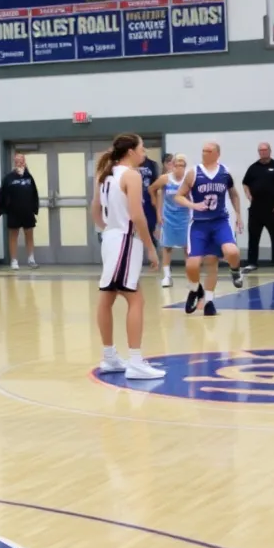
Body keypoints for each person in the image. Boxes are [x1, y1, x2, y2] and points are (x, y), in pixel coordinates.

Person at [91, 134, 164, 379]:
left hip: (111, 238)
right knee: (136, 300)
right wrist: (151, 247)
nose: (144, 153)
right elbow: (137, 215)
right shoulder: (130, 175)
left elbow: (94, 208)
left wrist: (108, 227)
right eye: (142, 148)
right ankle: (135, 362)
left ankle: (110, 358)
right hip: (125, 240)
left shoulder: (105, 175)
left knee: (106, 298)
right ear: (131, 151)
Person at [175, 141, 244, 316]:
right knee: (192, 265)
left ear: (217, 153)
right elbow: (178, 196)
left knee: (231, 253)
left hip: (220, 222)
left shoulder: (225, 172)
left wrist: (238, 215)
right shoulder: (193, 173)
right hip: (199, 224)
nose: (204, 153)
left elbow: (234, 194)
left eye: (208, 150)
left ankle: (211, 300)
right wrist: (193, 205)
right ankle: (194, 289)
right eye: (203, 150)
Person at [241, 142, 274, 274]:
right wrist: (248, 194)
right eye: (260, 150)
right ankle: (252, 263)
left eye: (265, 150)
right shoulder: (253, 168)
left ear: (270, 151)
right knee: (253, 236)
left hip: (272, 208)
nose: (263, 152)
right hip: (255, 208)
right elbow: (245, 183)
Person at [149, 153, 190, 288]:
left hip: (185, 216)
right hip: (169, 216)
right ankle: (167, 276)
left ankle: (191, 276)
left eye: (182, 165)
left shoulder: (189, 179)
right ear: (172, 165)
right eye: (176, 164)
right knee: (167, 247)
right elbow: (152, 189)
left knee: (187, 248)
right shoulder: (165, 178)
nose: (179, 167)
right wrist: (157, 210)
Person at [1, 154, 40, 270]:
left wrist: (34, 209)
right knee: (13, 236)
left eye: (21, 161)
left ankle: (31, 259)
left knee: (29, 235)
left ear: (24, 162)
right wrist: (5, 209)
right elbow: (3, 195)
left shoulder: (29, 177)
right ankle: (14, 261)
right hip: (14, 212)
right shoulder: (8, 178)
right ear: (14, 162)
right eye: (17, 161)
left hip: (27, 212)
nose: (20, 163)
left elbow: (34, 194)